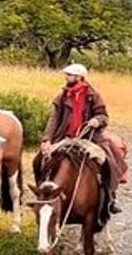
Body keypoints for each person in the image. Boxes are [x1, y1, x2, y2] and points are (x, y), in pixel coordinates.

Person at [39, 63, 127, 219]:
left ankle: (110, 197)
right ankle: (44, 194)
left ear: (79, 77)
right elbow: (53, 120)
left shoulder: (93, 95)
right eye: (66, 74)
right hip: (65, 138)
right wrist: (47, 139)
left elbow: (103, 116)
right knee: (39, 160)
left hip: (90, 137)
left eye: (69, 75)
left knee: (109, 160)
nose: (66, 77)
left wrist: (96, 120)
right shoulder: (62, 96)